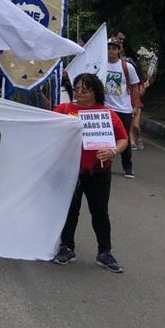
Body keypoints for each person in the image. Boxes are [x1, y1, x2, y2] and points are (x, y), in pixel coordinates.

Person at [52, 73, 129, 272]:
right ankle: (67, 247)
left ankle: (105, 252)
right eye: (76, 89)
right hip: (71, 170)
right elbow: (46, 122)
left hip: (98, 171)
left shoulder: (107, 114)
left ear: (95, 92)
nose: (78, 93)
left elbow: (123, 139)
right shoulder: (64, 109)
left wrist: (113, 151)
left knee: (100, 211)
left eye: (84, 90)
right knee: (70, 210)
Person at [104, 38, 141, 178]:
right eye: (108, 48)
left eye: (114, 48)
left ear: (119, 50)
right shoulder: (101, 65)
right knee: (106, 138)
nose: (111, 51)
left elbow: (135, 87)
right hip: (106, 108)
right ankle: (105, 164)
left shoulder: (127, 67)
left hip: (123, 109)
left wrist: (136, 106)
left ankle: (127, 166)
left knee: (124, 138)